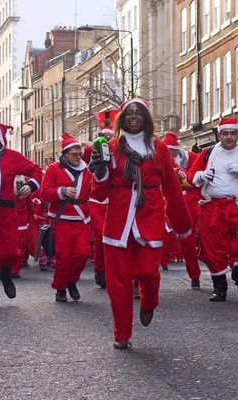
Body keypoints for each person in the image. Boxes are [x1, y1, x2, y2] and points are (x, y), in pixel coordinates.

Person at [91, 98, 192, 349]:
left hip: (149, 214)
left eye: (138, 113)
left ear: (146, 118)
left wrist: (181, 226)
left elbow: (172, 188)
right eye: (129, 113)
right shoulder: (111, 147)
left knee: (148, 271)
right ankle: (121, 333)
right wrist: (100, 170)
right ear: (122, 119)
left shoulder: (158, 148)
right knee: (118, 282)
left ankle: (149, 302)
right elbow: (100, 192)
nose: (133, 117)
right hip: (118, 221)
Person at [187, 118, 238, 302]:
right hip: (212, 207)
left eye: (232, 133)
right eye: (225, 133)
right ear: (219, 135)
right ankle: (219, 287)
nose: (229, 137)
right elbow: (191, 176)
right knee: (213, 249)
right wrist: (201, 176)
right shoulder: (207, 153)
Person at [0, 122, 43, 308]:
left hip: (6, 210)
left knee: (11, 252)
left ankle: (5, 274)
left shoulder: (13, 157)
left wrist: (31, 185)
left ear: (3, 137)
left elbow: (36, 170)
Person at [41, 133, 92, 302]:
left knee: (82, 254)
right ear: (65, 154)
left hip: (81, 220)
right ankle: (60, 288)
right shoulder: (53, 169)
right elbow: (44, 193)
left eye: (80, 154)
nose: (79, 157)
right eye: (74, 154)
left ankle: (71, 281)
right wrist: (61, 192)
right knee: (63, 257)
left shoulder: (86, 170)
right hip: (61, 220)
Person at [162, 131, 202, 288]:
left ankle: (210, 260)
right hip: (177, 204)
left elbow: (201, 175)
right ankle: (194, 275)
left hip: (196, 201)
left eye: (170, 150)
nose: (168, 153)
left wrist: (188, 177)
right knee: (187, 242)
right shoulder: (163, 161)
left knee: (206, 235)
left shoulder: (192, 158)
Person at [87, 124, 114, 288]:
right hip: (96, 201)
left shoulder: (119, 152)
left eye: (110, 136)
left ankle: (111, 270)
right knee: (100, 235)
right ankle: (99, 270)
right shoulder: (96, 154)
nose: (107, 139)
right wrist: (98, 164)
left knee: (112, 237)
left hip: (113, 201)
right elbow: (91, 169)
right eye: (104, 136)